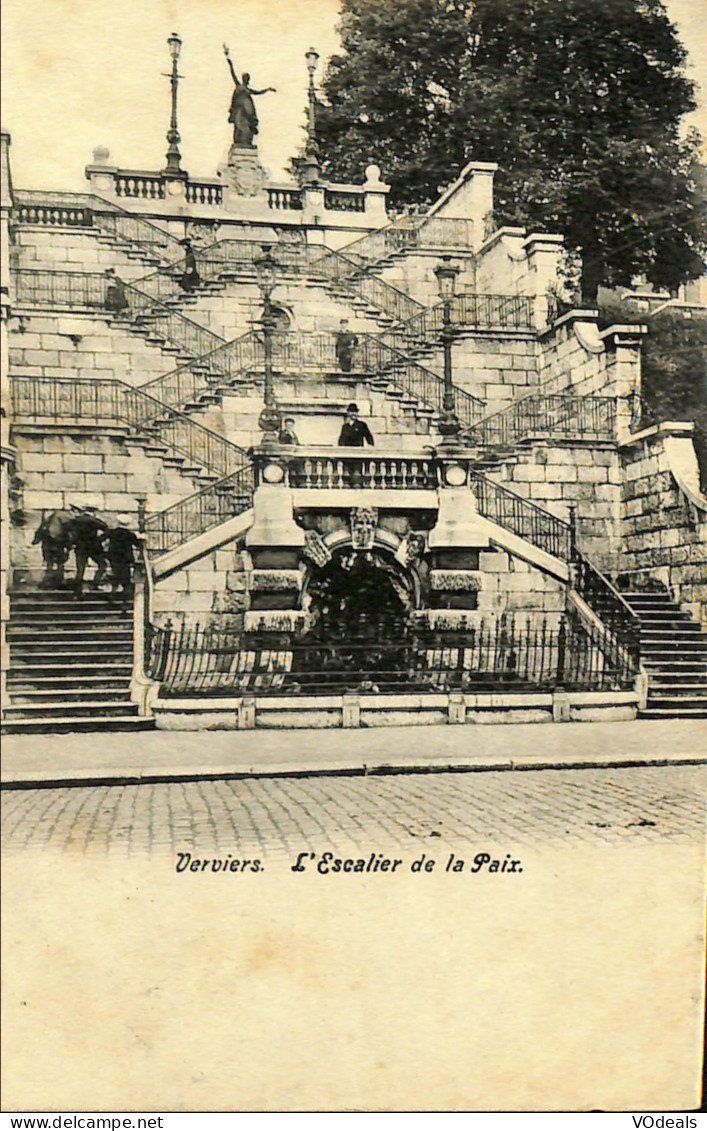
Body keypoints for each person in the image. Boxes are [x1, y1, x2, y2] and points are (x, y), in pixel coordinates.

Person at [224, 46, 276, 148]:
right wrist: (228, 58)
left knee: (247, 127)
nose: (246, 80)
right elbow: (232, 72)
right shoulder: (239, 86)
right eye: (245, 78)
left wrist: (268, 89)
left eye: (247, 79)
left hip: (248, 111)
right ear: (243, 79)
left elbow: (258, 92)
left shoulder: (248, 90)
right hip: (239, 110)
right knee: (239, 126)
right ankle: (239, 142)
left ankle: (247, 142)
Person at [68, 506, 109, 595]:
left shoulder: (75, 520)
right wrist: (100, 539)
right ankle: (95, 583)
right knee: (102, 565)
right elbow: (106, 528)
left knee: (80, 568)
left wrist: (73, 542)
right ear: (93, 512)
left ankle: (77, 588)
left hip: (80, 547)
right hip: (93, 547)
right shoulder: (94, 521)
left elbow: (68, 531)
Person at [105, 519, 145, 604]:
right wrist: (142, 538)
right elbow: (138, 544)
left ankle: (112, 594)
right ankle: (125, 599)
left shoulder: (112, 532)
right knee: (125, 578)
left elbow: (101, 538)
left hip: (114, 557)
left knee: (115, 575)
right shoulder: (129, 535)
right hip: (125, 559)